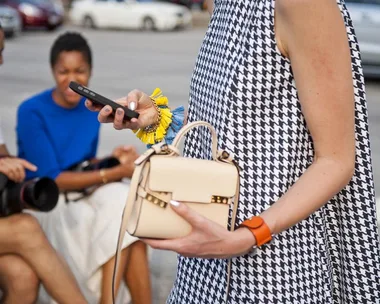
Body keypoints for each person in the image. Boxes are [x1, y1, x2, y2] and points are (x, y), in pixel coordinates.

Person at [87, 0, 380, 303]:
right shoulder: (225, 5)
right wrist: (157, 119)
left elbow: (336, 160)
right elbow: (242, 122)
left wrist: (247, 236)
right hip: (204, 260)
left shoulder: (302, 4)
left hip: (276, 270)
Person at [16, 32, 151, 304]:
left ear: (90, 72)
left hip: (83, 192)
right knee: (123, 211)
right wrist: (115, 172)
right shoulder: (31, 111)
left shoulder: (91, 108)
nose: (71, 79)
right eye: (63, 71)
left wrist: (111, 160)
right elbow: (53, 177)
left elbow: (80, 164)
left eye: (80, 71)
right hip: (50, 202)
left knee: (127, 205)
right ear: (53, 71)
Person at [0, 23, 87, 304]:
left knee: (22, 277)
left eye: (2, 51)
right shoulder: (33, 109)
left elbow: (4, 159)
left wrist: (10, 163)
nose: (2, 60)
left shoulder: (85, 110)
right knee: (27, 229)